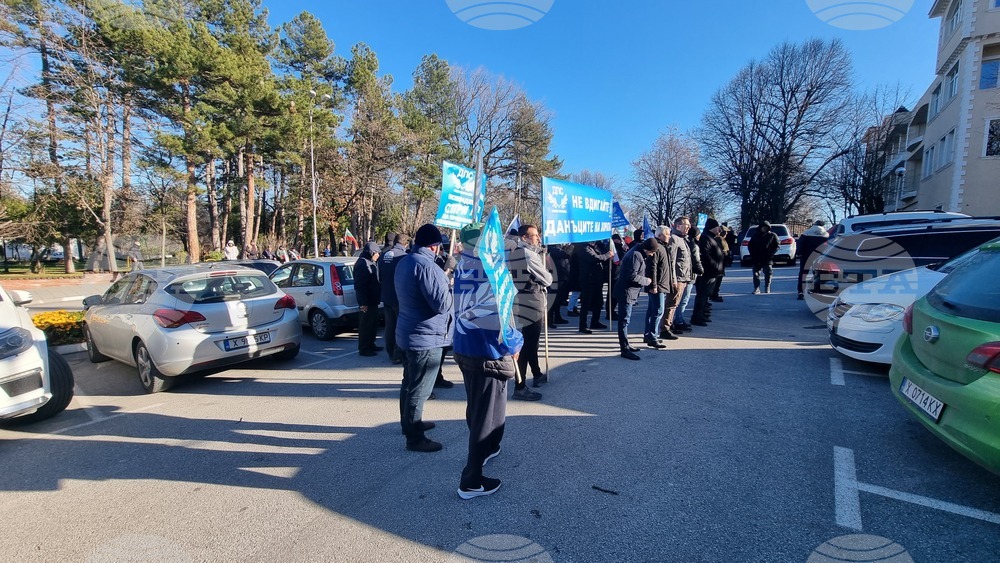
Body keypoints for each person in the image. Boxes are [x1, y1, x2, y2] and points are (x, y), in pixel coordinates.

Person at [452, 223, 524, 499]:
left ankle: (488, 448)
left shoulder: (464, 264)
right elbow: (499, 315)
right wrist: (515, 342)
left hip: (465, 345)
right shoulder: (488, 271)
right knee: (486, 414)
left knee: (481, 407)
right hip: (486, 350)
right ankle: (471, 481)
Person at [395, 224, 453, 453]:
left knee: (409, 383)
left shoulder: (405, 261)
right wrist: (447, 282)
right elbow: (442, 304)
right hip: (425, 337)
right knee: (419, 389)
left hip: (409, 332)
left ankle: (409, 423)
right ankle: (414, 436)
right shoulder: (428, 267)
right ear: (435, 246)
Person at [508, 224, 551, 399]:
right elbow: (547, 279)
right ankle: (520, 386)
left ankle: (537, 373)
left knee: (530, 341)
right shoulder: (528, 254)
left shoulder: (517, 251)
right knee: (528, 344)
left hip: (524, 300)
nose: (538, 238)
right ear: (524, 238)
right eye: (534, 235)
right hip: (532, 301)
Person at [613, 237, 657, 360]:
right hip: (626, 292)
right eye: (652, 252)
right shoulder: (636, 255)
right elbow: (631, 276)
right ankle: (624, 349)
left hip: (629, 291)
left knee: (625, 321)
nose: (652, 254)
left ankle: (626, 345)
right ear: (647, 249)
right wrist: (646, 281)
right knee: (624, 321)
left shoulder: (637, 252)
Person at [380, 234, 410, 364]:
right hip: (399, 297)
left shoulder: (383, 255)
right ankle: (398, 354)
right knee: (400, 326)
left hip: (386, 296)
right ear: (405, 244)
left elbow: (379, 276)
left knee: (389, 326)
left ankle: (390, 352)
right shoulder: (404, 257)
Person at [693, 219, 725, 326]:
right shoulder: (706, 237)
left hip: (713, 272)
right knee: (702, 294)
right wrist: (715, 265)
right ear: (713, 227)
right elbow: (705, 255)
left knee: (705, 294)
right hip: (708, 272)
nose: (719, 229)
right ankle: (697, 316)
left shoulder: (712, 237)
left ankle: (701, 314)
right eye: (717, 227)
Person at [643, 227, 670, 349]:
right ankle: (652, 336)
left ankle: (648, 334)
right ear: (660, 235)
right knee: (658, 311)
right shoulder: (656, 247)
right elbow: (651, 267)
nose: (669, 236)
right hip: (657, 285)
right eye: (667, 234)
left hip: (661, 284)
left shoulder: (663, 247)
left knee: (652, 310)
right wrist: (653, 285)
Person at [578, 240, 613, 334]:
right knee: (586, 303)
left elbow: (601, 256)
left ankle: (595, 321)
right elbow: (595, 258)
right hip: (588, 280)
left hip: (597, 279)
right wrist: (607, 255)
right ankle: (583, 325)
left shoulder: (596, 247)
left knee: (599, 302)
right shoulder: (584, 248)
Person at [354, 241, 382, 356]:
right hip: (366, 301)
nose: (378, 256)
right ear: (371, 253)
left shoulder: (370, 262)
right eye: (377, 253)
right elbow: (360, 286)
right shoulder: (362, 264)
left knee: (373, 323)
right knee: (366, 325)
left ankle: (371, 343)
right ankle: (364, 348)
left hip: (373, 300)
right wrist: (363, 303)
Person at [674, 225, 703, 331]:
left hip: (685, 274)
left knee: (680, 299)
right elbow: (696, 261)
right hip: (688, 275)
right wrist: (701, 271)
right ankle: (679, 320)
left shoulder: (686, 242)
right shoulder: (694, 245)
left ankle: (677, 319)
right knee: (683, 299)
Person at [797, 220, 830, 299]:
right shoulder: (826, 234)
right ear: (823, 226)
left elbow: (800, 243)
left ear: (814, 224)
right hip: (820, 257)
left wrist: (799, 253)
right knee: (819, 274)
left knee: (803, 273)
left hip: (807, 255)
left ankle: (801, 291)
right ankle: (817, 290)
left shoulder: (807, 233)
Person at [749, 221, 780, 294]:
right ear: (760, 228)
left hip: (767, 258)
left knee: (768, 273)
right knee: (756, 274)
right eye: (763, 227)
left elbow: (777, 246)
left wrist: (771, 253)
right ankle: (756, 288)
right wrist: (752, 254)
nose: (764, 229)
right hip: (756, 257)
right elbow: (750, 245)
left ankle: (767, 287)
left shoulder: (772, 235)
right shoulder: (755, 235)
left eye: (766, 228)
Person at [547, 243, 571, 326]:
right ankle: (549, 320)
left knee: (559, 300)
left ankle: (557, 317)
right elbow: (566, 254)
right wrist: (571, 245)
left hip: (562, 277)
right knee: (554, 300)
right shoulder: (554, 249)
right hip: (557, 278)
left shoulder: (559, 248)